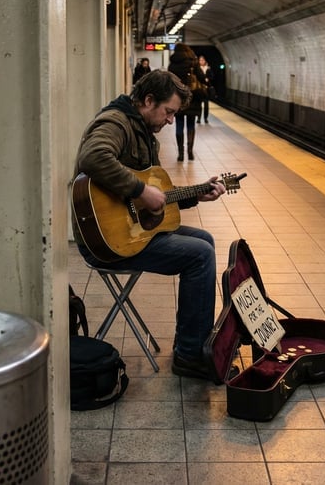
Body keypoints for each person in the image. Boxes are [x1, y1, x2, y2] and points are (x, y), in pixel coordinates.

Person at [72, 69, 226, 379]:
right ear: (148, 100)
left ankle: (191, 342)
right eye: (169, 112)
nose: (171, 120)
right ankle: (190, 355)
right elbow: (93, 156)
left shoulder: (142, 130)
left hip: (132, 234)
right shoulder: (116, 122)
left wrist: (197, 195)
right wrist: (140, 190)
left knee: (205, 240)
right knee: (200, 255)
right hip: (107, 241)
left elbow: (157, 198)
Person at [168, 43, 207, 161]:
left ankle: (180, 154)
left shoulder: (173, 64)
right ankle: (190, 152)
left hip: (178, 98)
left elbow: (169, 80)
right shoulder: (193, 62)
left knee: (179, 124)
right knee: (191, 124)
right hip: (193, 97)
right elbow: (201, 77)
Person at [197, 55, 212, 124]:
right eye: (200, 60)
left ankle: (205, 118)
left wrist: (208, 79)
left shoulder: (208, 68)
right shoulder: (197, 69)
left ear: (205, 61)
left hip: (206, 89)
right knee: (198, 104)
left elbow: (212, 77)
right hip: (199, 88)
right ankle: (199, 118)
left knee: (206, 105)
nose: (201, 61)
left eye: (202, 60)